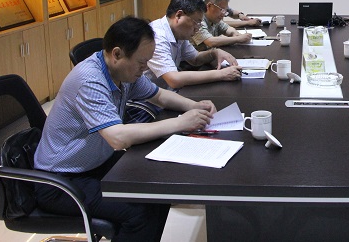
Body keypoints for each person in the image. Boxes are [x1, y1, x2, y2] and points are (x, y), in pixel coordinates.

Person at [34, 17, 217, 242]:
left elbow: (158, 95)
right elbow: (117, 138)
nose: (145, 68)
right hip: (60, 181)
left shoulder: (123, 72)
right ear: (117, 54)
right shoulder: (89, 80)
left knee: (159, 190)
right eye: (141, 62)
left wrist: (195, 106)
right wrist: (180, 123)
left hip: (94, 163)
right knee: (139, 213)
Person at [146, 0, 242, 90]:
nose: (197, 29)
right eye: (196, 23)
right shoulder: (157, 36)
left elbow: (195, 59)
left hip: (166, 91)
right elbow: (174, 79)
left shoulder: (178, 32)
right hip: (150, 96)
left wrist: (214, 53)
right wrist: (221, 74)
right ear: (179, 15)